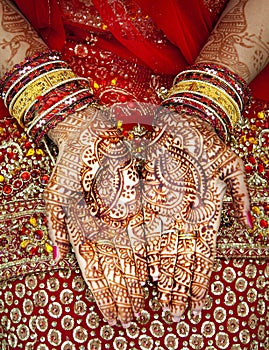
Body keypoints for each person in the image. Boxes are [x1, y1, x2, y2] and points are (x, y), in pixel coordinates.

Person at [0, 0, 268, 349]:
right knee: (47, 309)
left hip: (231, 59)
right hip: (23, 58)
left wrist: (203, 105)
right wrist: (67, 115)